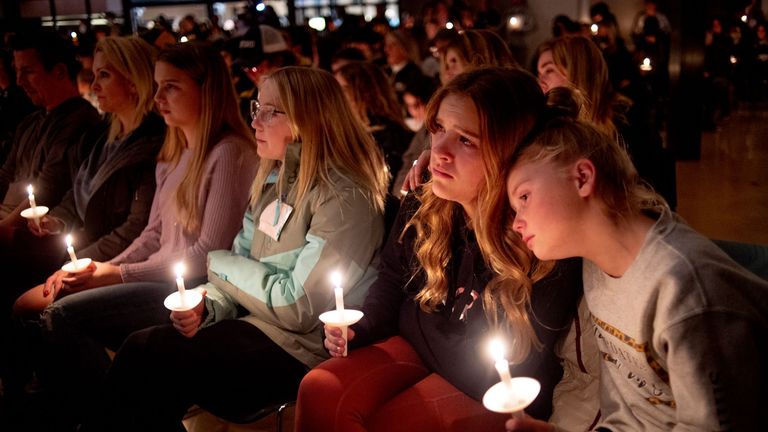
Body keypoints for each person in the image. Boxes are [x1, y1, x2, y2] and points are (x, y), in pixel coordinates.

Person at [81, 66, 389, 431]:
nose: (255, 120)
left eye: (271, 111)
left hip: (301, 350)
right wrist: (206, 304)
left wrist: (218, 264)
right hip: (255, 326)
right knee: (146, 354)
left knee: (151, 356)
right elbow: (238, 274)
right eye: (257, 106)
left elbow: (299, 307)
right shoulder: (273, 180)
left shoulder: (344, 195)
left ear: (310, 118)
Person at [295, 67, 582, 431]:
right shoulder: (426, 199)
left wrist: (412, 319)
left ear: (508, 152)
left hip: (494, 393)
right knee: (319, 388)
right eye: (438, 130)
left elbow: (498, 373)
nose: (438, 152)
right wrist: (362, 327)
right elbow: (393, 276)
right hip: (434, 354)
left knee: (389, 422)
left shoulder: (538, 236)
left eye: (466, 140)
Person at [25, 42, 258, 430]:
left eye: (171, 87)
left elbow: (207, 255)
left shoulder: (228, 153)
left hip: (195, 288)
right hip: (162, 275)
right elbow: (153, 234)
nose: (158, 98)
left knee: (63, 316)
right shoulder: (176, 150)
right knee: (51, 308)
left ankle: (102, 419)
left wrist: (115, 274)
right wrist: (99, 267)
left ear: (207, 89)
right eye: (157, 86)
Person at [500, 112, 768, 431]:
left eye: (525, 197)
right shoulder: (598, 267)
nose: (516, 224)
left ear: (582, 178)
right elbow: (630, 412)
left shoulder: (684, 290)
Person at [8, 36, 164, 317]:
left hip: (107, 260)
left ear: (133, 80)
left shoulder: (154, 144)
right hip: (75, 248)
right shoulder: (103, 135)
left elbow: (135, 228)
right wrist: (56, 220)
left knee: (24, 305)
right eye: (94, 76)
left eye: (104, 75)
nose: (93, 87)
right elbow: (76, 191)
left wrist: (76, 263)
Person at [536, 35, 676, 209]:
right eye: (539, 74)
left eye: (549, 71)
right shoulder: (554, 122)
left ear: (577, 70)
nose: (540, 82)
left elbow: (650, 192)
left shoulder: (626, 121)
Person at [0, 31, 100, 222]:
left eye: (28, 72)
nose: (19, 81)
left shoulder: (79, 120)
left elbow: (49, 190)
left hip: (35, 229)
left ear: (59, 71)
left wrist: (5, 228)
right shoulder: (30, 123)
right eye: (17, 71)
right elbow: (5, 175)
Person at [335, 61, 413, 190]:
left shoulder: (390, 136)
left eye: (343, 89)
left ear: (364, 92)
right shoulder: (349, 131)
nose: (336, 96)